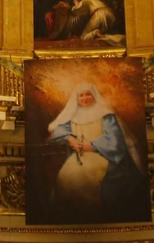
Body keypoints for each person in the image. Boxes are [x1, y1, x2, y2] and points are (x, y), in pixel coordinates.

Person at [47, 83, 145, 221]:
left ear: (94, 96)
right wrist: (71, 139)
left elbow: (114, 141)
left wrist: (90, 147)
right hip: (79, 157)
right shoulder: (72, 113)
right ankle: (75, 217)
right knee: (66, 175)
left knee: (84, 175)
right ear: (77, 98)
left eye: (88, 94)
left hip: (104, 156)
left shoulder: (105, 114)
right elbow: (57, 128)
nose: (85, 98)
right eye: (81, 95)